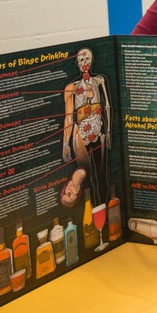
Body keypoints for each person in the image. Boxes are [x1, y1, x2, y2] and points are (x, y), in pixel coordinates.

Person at [63, 48, 111, 207]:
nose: (85, 63)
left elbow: (107, 107)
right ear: (77, 63)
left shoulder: (99, 81)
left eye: (87, 59)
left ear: (92, 61)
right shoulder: (71, 87)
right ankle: (92, 212)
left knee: (102, 174)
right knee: (87, 177)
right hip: (81, 136)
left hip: (98, 132)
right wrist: (65, 144)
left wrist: (108, 131)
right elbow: (69, 116)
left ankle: (104, 210)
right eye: (81, 60)